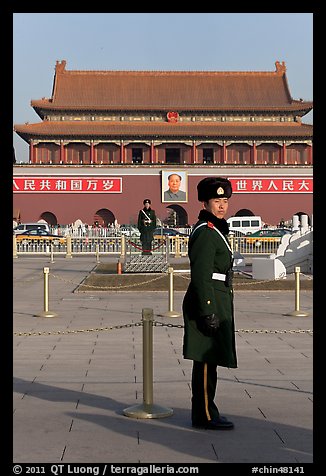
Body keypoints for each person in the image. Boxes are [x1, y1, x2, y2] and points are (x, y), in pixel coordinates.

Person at [182, 177, 237, 430]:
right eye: (217, 201)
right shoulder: (206, 232)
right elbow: (201, 274)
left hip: (217, 297)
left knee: (211, 360)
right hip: (209, 300)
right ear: (205, 203)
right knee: (204, 361)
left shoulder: (215, 230)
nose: (222, 206)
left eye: (225, 201)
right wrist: (207, 309)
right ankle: (204, 415)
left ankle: (208, 410)